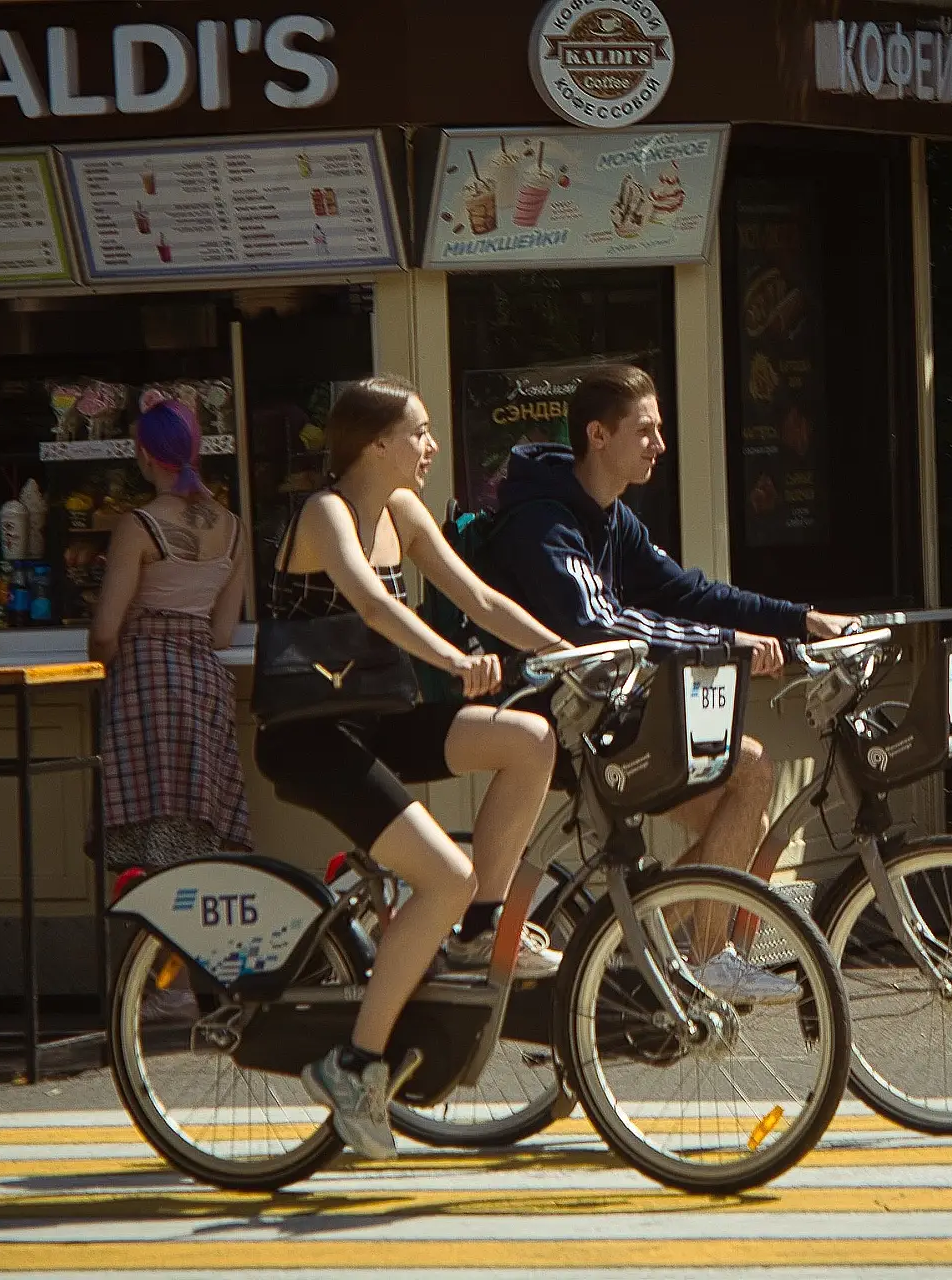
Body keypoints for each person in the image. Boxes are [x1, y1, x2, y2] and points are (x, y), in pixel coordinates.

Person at [254, 375, 567, 1160]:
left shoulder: (400, 508)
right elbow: (374, 607)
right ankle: (355, 1063)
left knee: (529, 740)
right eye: (419, 432)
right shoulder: (327, 513)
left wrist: (569, 654)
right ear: (375, 443)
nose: (431, 446)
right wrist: (456, 661)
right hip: (313, 737)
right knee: (441, 874)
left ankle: (481, 928)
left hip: (376, 721)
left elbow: (480, 596)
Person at [480, 365, 859, 998]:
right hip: (553, 719)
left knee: (735, 807)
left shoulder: (611, 517)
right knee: (749, 770)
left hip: (597, 709)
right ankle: (679, 955)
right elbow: (596, 626)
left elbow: (691, 593)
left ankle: (624, 945)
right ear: (598, 436)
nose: (660, 444)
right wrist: (725, 643)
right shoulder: (543, 521)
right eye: (646, 430)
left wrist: (803, 618)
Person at [91, 399, 251, 875]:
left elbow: (103, 634)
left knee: (148, 830)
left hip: (144, 682)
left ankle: (156, 938)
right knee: (197, 832)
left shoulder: (137, 526)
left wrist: (101, 662)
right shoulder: (233, 528)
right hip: (204, 684)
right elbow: (221, 633)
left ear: (143, 455)